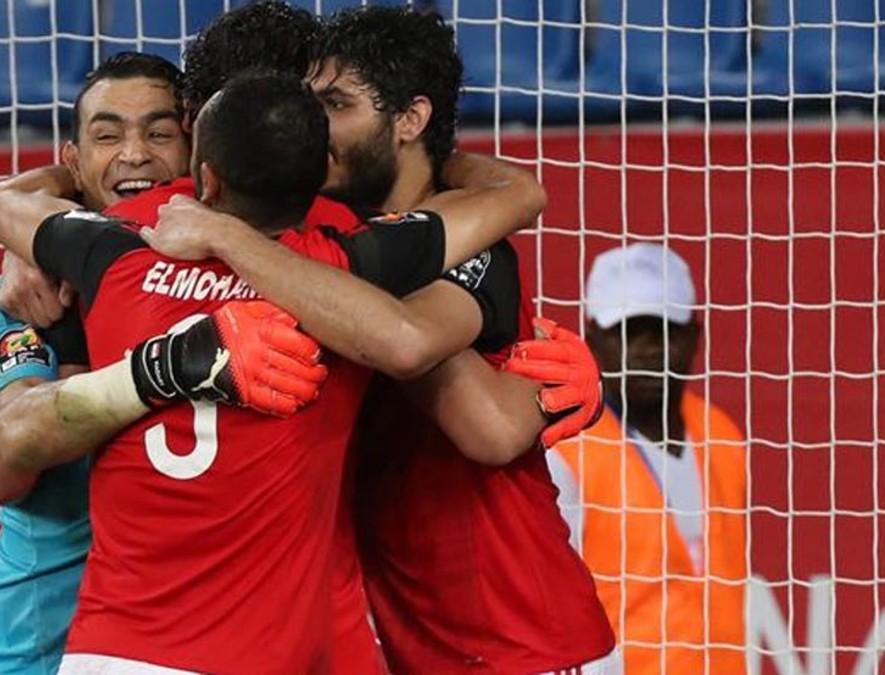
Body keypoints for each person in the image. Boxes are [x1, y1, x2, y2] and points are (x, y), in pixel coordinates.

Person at [0, 71, 532, 673]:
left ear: (206, 174)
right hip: (256, 656)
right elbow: (518, 195)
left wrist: (73, 181)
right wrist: (443, 158)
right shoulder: (349, 270)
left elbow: (2, 203)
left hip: (114, 650)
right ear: (321, 172)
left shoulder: (114, 253)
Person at [145, 7, 619, 673]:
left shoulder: (465, 243)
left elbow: (487, 424)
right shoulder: (329, 240)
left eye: (335, 104)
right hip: (414, 643)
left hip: (525, 639)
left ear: (409, 120)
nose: (314, 126)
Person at [0, 52, 193, 675]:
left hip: (168, 646)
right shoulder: (15, 300)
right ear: (75, 163)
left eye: (161, 133)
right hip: (30, 654)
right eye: (107, 136)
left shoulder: (228, 284)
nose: (135, 154)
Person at [547, 243, 748, 675]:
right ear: (593, 337)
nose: (648, 350)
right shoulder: (564, 447)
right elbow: (549, 607)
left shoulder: (722, 435)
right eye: (628, 331)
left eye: (664, 330)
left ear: (694, 335)